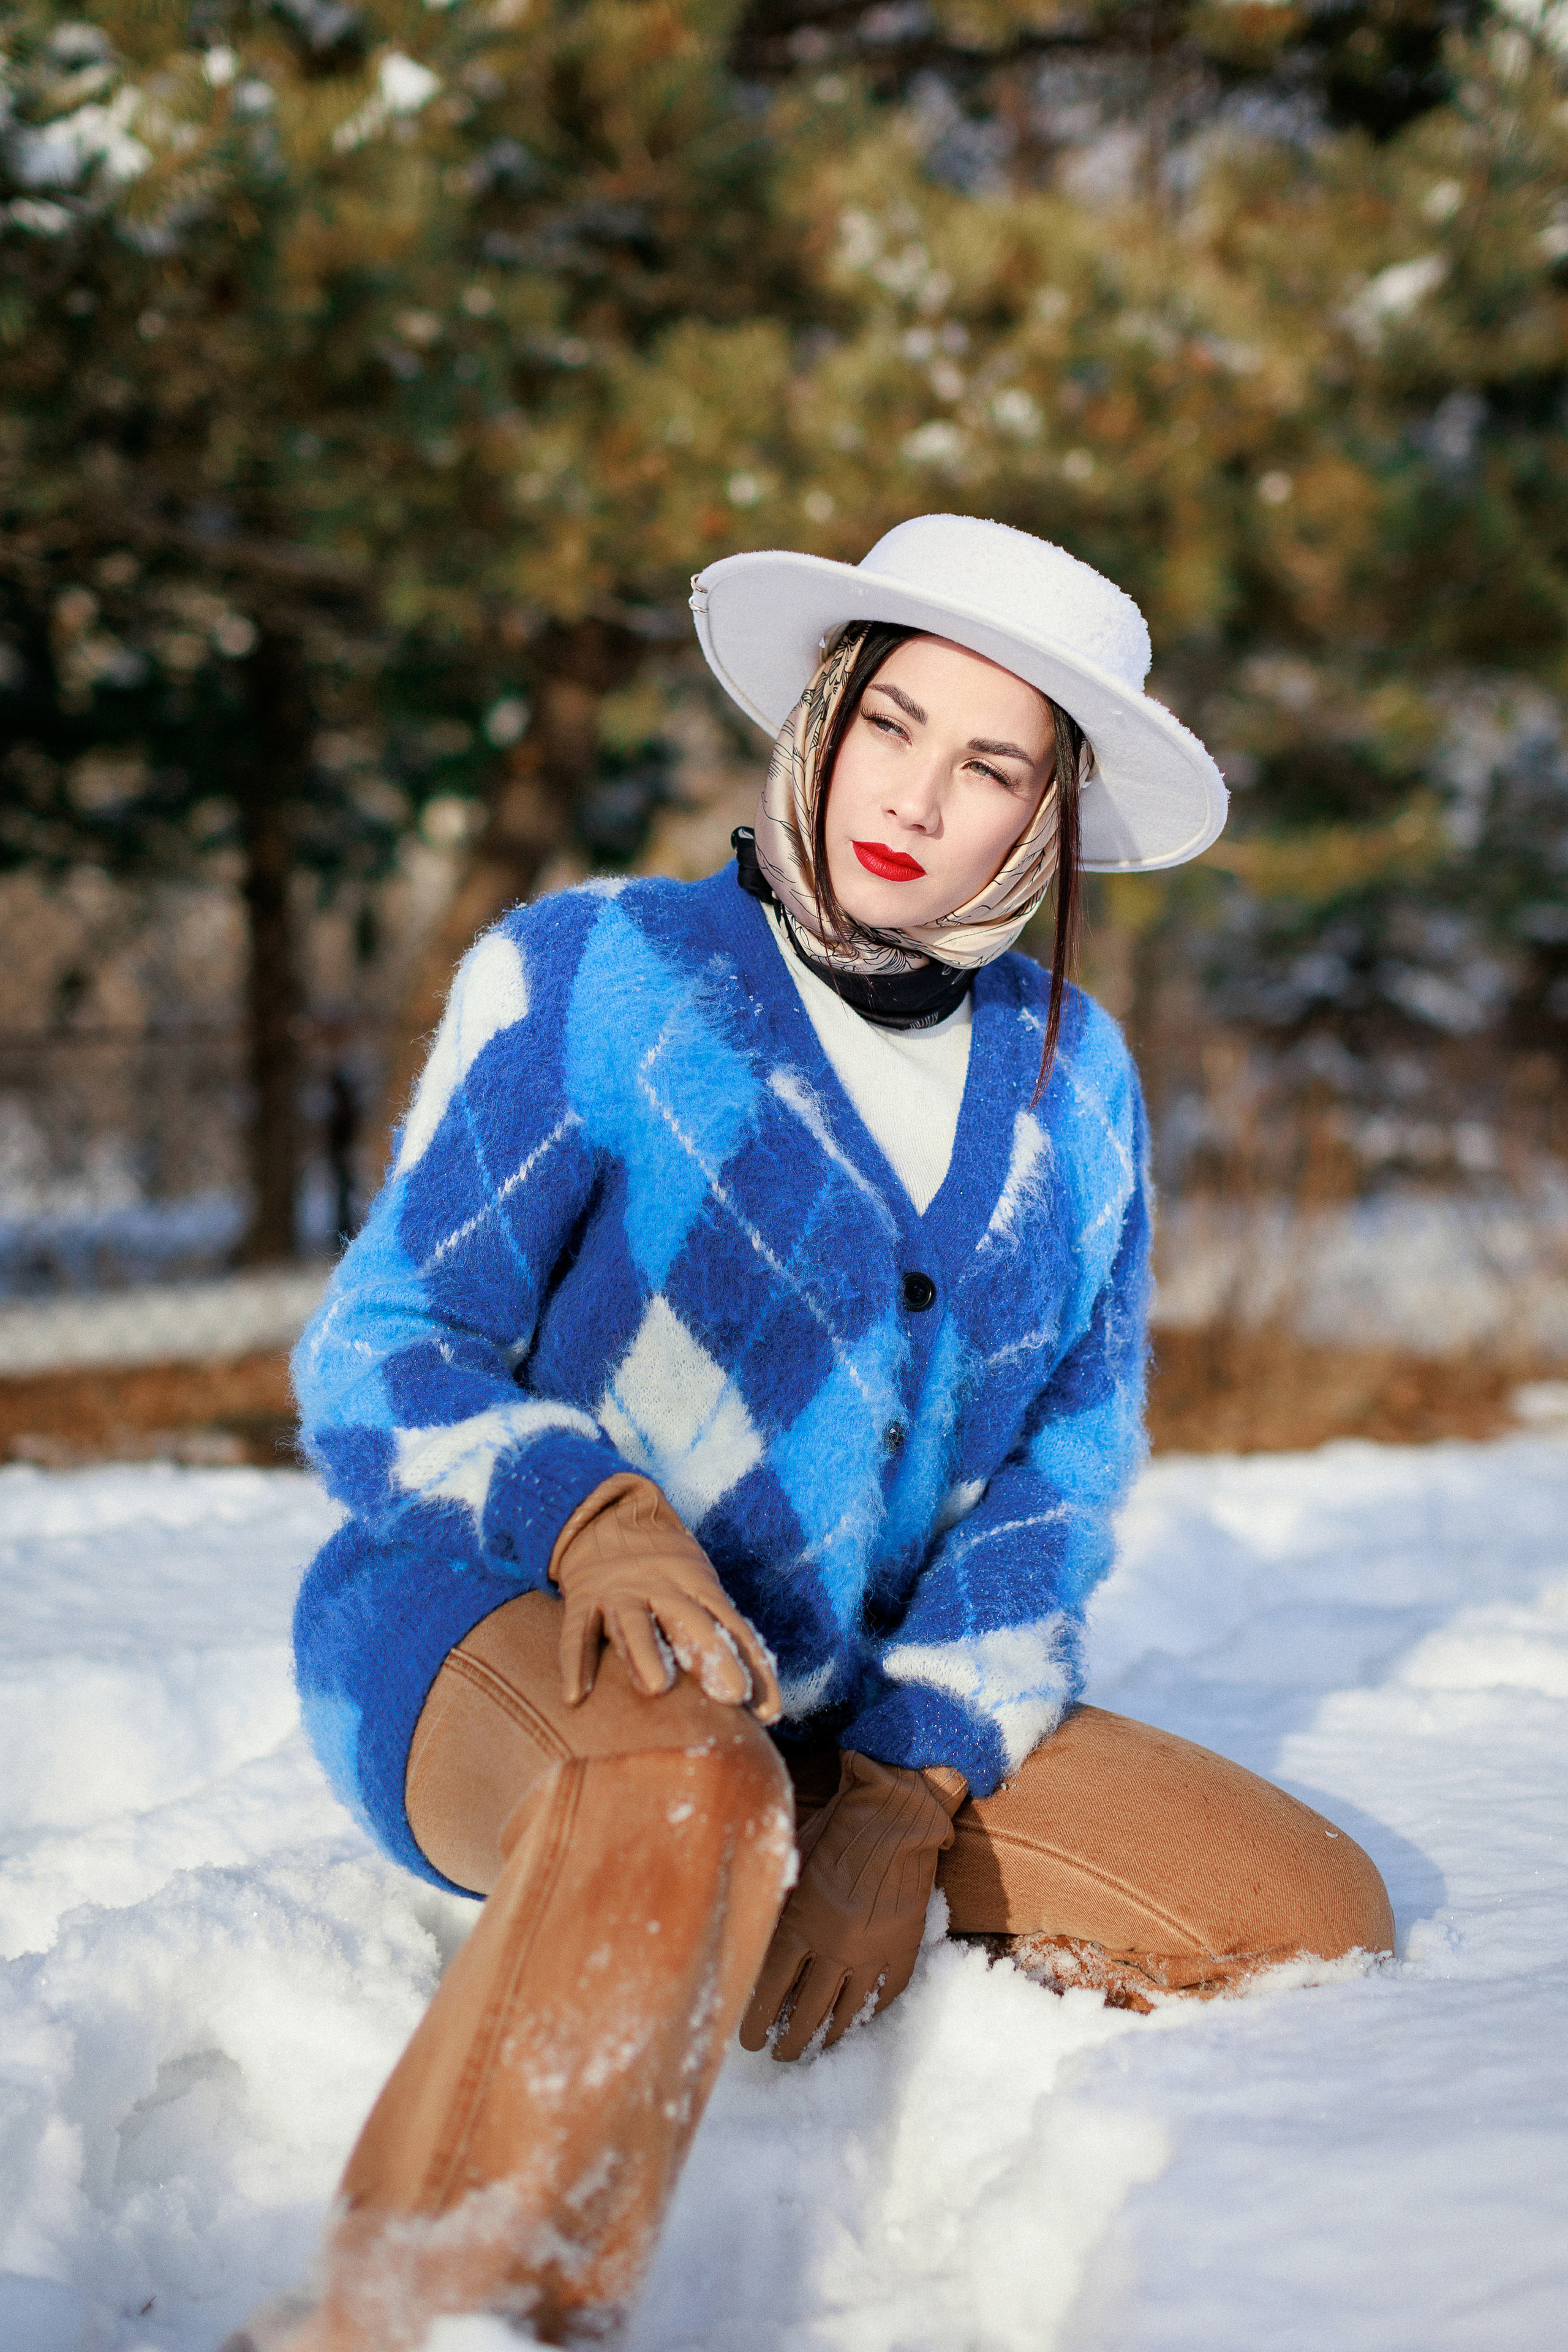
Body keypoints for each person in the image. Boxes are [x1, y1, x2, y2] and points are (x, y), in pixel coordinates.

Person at [247, 515, 1393, 2351]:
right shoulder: (596, 974)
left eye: (991, 765)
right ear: (823, 718)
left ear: (1049, 816)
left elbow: (1059, 1479)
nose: (917, 798)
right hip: (494, 1620)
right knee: (684, 1781)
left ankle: (754, 1878)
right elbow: (383, 1349)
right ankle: (419, 2314)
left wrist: (903, 1799)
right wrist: (597, 1513)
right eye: (891, 725)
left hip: (836, 1705)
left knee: (1299, 1905)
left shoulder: (1077, 1083)